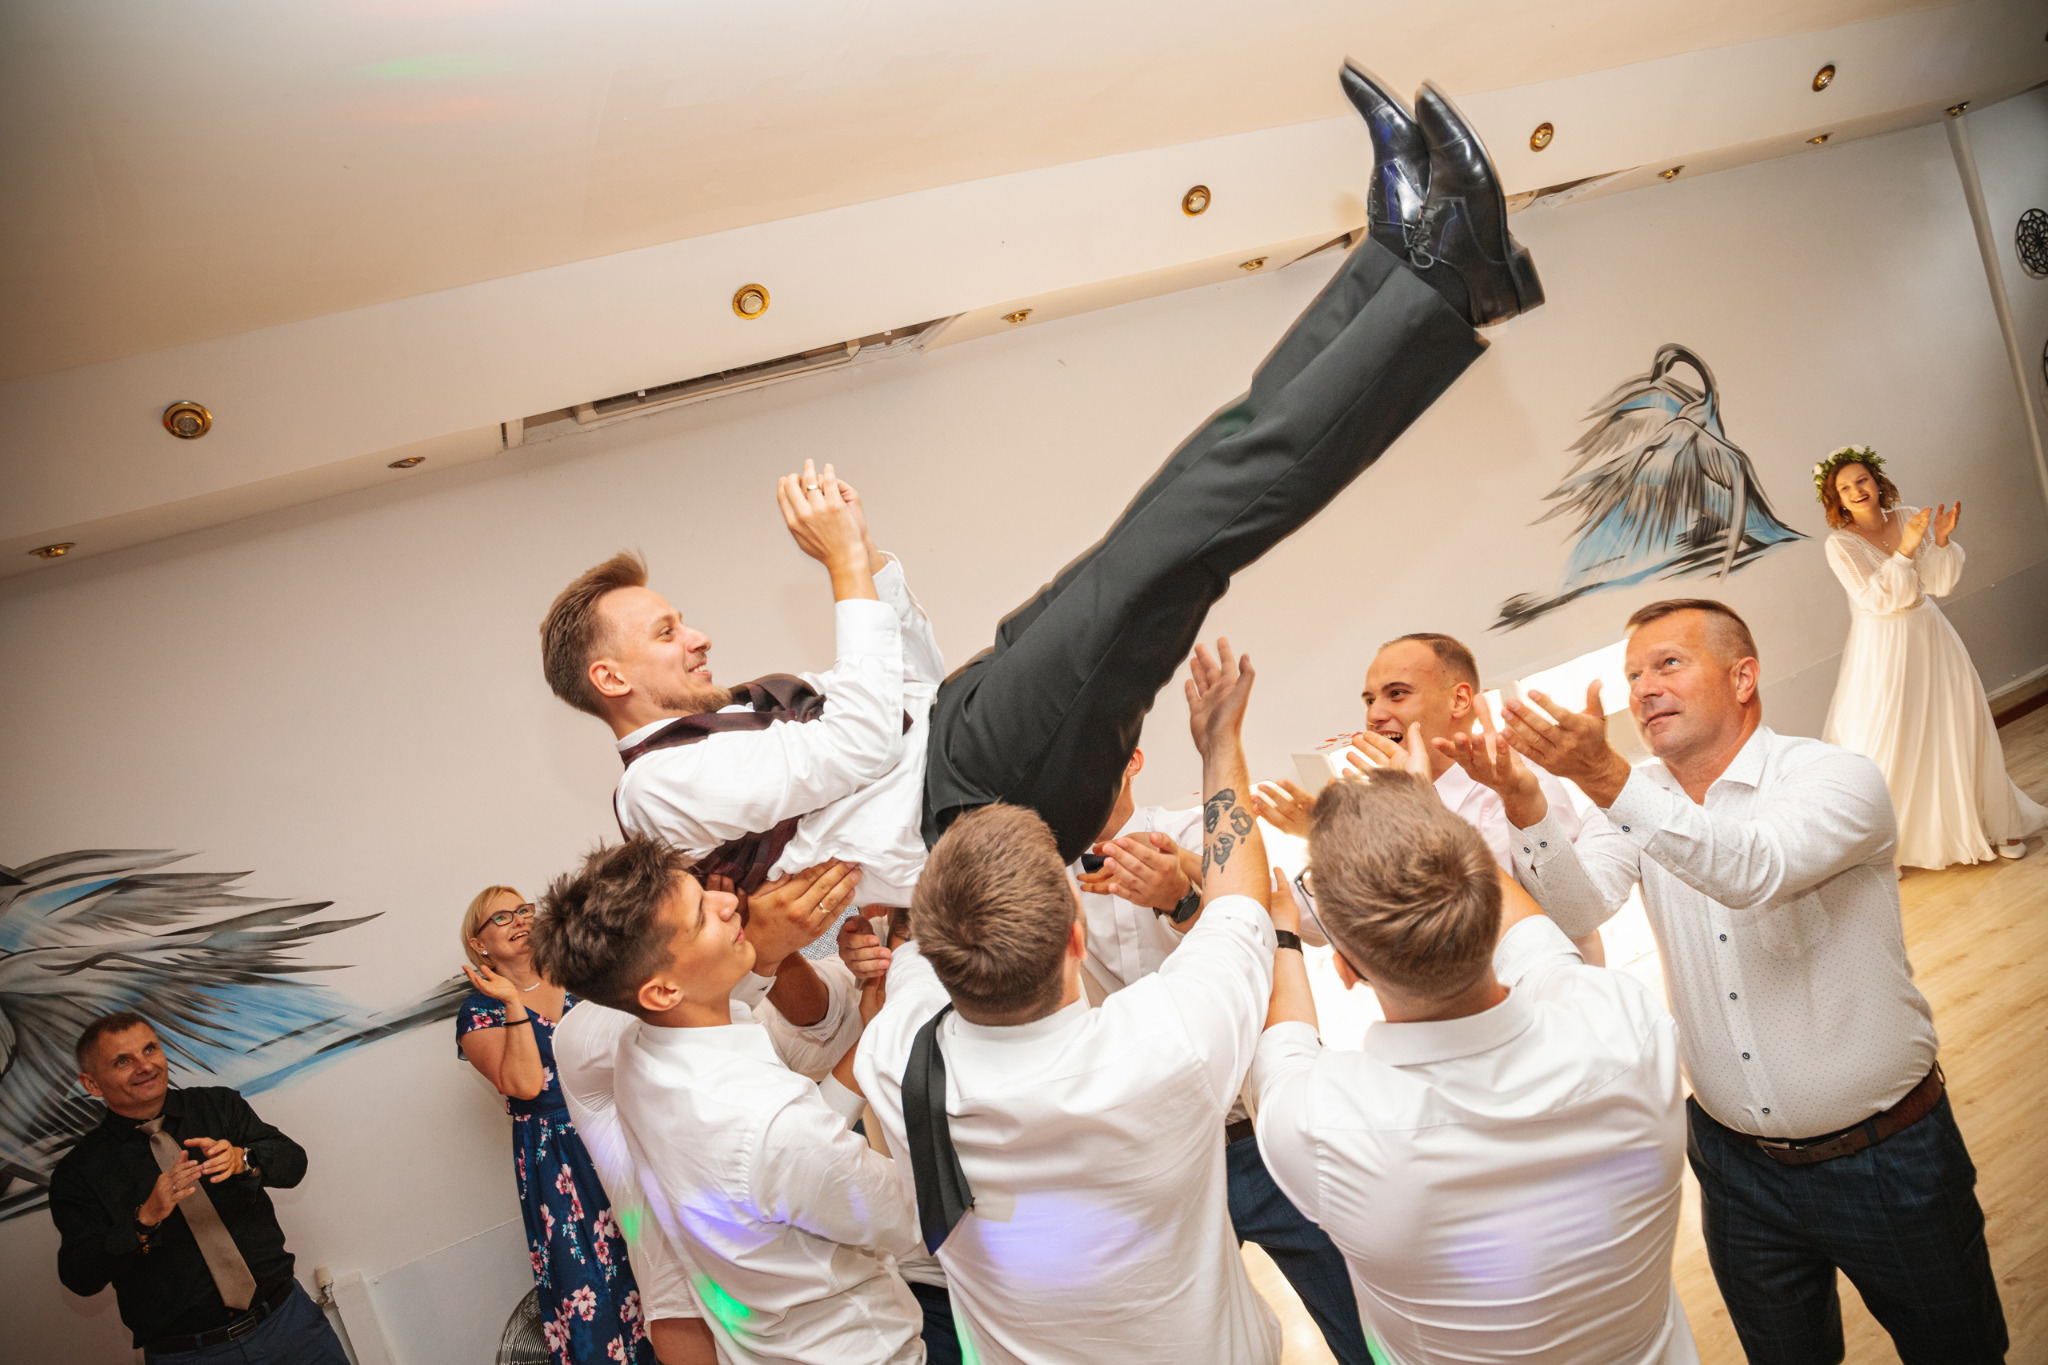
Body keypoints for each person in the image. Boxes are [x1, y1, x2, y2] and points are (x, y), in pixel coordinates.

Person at [537, 66, 1537, 908]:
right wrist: (842, 572)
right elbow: (856, 747)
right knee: (1198, 522)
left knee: (1189, 489)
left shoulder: (714, 733)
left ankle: (1396, 258)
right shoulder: (660, 790)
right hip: (973, 798)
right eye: (664, 632)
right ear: (609, 679)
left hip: (961, 722)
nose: (697, 636)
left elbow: (903, 693)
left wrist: (872, 567)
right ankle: (1447, 285)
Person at [1457, 597, 2006, 1365]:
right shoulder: (1637, 798)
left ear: (1743, 677)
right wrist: (1526, 805)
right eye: (1632, 674)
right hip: (1736, 1169)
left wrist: (1607, 776)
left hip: (1888, 1158)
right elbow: (1580, 908)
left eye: (1668, 664)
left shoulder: (1834, 776)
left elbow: (1752, 869)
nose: (1644, 687)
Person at [854, 640, 1288, 1365]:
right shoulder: (1167, 1043)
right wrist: (1220, 743)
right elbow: (1241, 898)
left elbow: (917, 935)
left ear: (931, 958)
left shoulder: (893, 1055)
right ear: (1076, 938)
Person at [1251, 764, 1697, 1363]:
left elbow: (1284, 1041)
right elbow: (1532, 938)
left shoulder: (1322, 1125)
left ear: (1346, 969)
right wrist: (1433, 820)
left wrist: (1282, 932)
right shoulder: (1625, 1021)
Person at [531, 840, 929, 1365]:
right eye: (702, 916)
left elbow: (784, 1166)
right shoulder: (766, 1123)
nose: (729, 904)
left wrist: (866, 1029)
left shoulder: (641, 1052)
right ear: (661, 991)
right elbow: (912, 1215)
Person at [1063, 747, 1374, 1365]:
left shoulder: (1193, 832)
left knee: (1361, 1329)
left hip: (1263, 1135)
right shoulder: (1047, 880)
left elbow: (1261, 928)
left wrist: (1184, 896)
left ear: (1133, 759)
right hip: (1161, 1157)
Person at [1253, 630, 1611, 963]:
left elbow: (1541, 915)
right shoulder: (1379, 806)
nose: (1374, 715)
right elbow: (1322, 916)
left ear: (1459, 700)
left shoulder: (1520, 784)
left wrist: (1414, 817)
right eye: (1369, 700)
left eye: (1397, 694)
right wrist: (1329, 840)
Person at [49, 1012, 350, 1364]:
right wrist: (144, 1220)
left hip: (290, 1326)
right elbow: (79, 1276)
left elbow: (293, 1163)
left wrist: (244, 1159)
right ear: (93, 1085)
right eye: (122, 1061)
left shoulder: (219, 1106)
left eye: (150, 1049)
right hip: (190, 1354)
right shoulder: (79, 1172)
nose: (145, 1066)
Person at [454, 885, 656, 1365]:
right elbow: (524, 1085)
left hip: (622, 1128)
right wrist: (512, 1002)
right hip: (559, 1156)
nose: (520, 919)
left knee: (658, 1256)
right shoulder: (479, 1013)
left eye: (524, 910)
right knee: (588, 1274)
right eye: (502, 917)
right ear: (479, 943)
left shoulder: (582, 979)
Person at [1815, 446, 2044, 867]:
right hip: (1884, 646)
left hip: (1931, 631)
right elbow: (1877, 599)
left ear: (1877, 481)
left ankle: (1998, 824)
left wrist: (1939, 540)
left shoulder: (1909, 516)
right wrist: (1905, 550)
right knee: (1891, 736)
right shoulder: (1840, 544)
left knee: (1962, 722)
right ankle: (1890, 847)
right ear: (1837, 499)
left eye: (1862, 480)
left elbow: (1938, 584)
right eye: (1845, 488)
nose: (1856, 490)